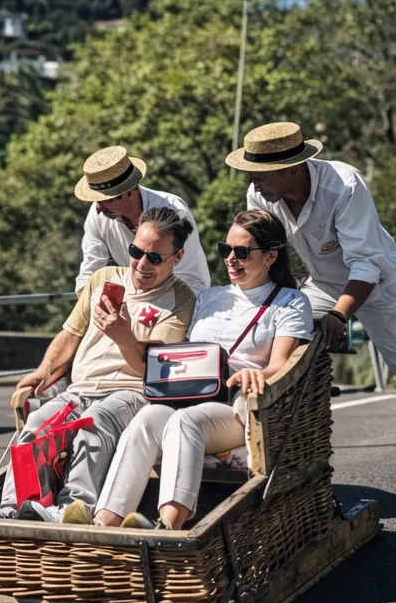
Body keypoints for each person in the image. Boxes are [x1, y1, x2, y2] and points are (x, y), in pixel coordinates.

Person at [229, 122, 396, 473]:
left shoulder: (343, 185)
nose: (253, 182)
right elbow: (271, 254)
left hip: (377, 282)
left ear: (292, 168)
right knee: (276, 334)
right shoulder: (261, 196)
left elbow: (366, 264)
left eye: (261, 174)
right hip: (325, 283)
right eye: (251, 173)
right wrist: (279, 304)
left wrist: (341, 315)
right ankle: (289, 447)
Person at [0, 208, 197, 522]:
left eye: (154, 258)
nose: (141, 264)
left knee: (94, 422)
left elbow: (154, 370)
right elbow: (70, 334)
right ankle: (13, 508)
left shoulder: (181, 299)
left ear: (177, 257)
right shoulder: (102, 279)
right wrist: (43, 372)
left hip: (132, 392)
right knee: (39, 422)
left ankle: (73, 508)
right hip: (82, 388)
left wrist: (123, 335)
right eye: (136, 251)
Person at [92, 211, 313, 530]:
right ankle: (105, 525)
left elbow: (283, 364)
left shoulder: (290, 302)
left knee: (184, 422)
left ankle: (168, 528)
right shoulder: (209, 298)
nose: (231, 260)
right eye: (226, 250)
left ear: (269, 256)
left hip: (240, 406)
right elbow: (178, 351)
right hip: (191, 397)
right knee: (145, 420)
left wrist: (258, 374)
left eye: (242, 252)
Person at [74, 145, 211, 292]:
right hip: (138, 297)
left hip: (186, 297)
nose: (98, 207)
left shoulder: (176, 212)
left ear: (130, 192)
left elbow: (187, 277)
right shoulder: (97, 214)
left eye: (106, 199)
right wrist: (84, 301)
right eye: (96, 199)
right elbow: (90, 269)